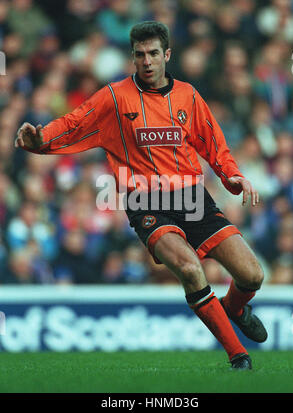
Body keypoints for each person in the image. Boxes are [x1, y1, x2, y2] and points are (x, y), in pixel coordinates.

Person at [15, 21, 267, 370]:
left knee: (252, 275)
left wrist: (232, 175)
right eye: (139, 55)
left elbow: (214, 144)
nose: (146, 61)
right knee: (190, 269)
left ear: (166, 54)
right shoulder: (114, 98)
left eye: (152, 54)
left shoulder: (188, 96)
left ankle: (234, 308)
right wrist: (41, 138)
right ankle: (239, 357)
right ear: (132, 57)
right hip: (145, 202)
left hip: (192, 199)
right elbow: (74, 121)